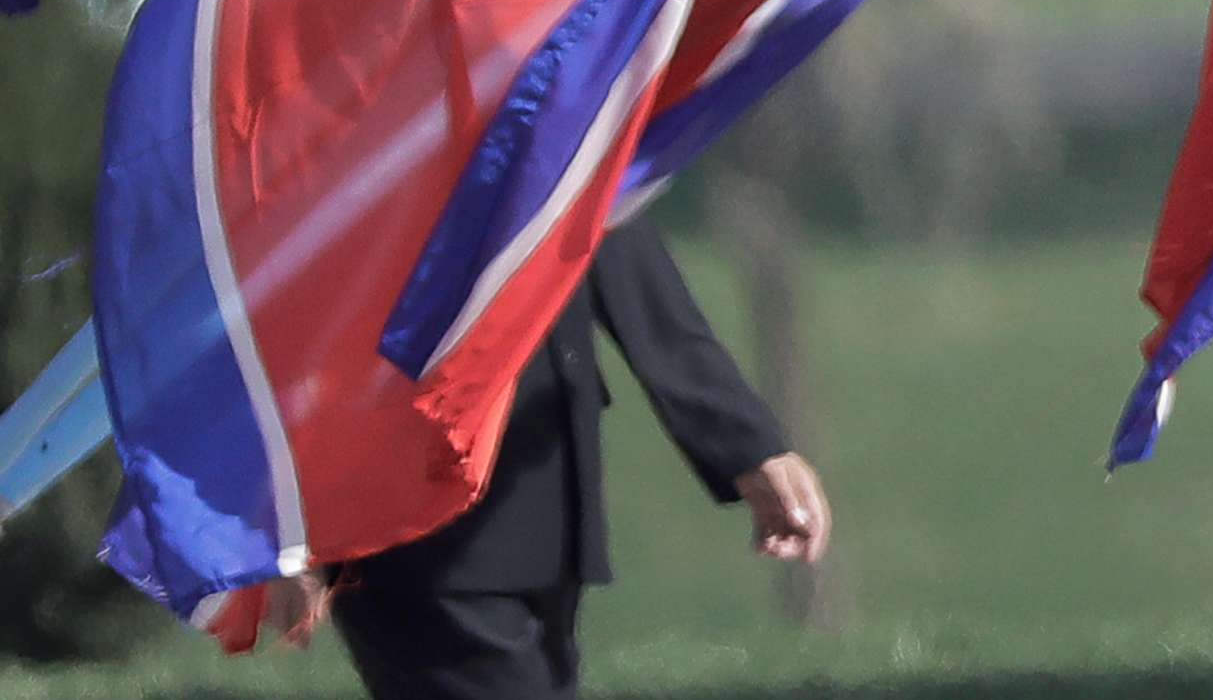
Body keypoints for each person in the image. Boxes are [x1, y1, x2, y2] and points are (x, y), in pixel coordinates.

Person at [268, 220, 829, 699]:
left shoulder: (541, 90)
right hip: (414, 513)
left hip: (544, 496)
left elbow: (604, 208)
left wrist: (745, 442)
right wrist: (290, 513)